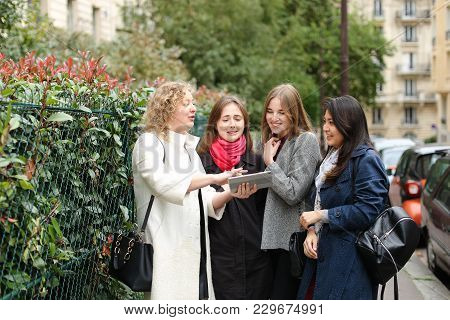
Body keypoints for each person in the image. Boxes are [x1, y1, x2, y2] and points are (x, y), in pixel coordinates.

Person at [132, 81, 256, 300]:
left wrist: (231, 192)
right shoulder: (148, 142)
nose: (193, 108)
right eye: (186, 103)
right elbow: (163, 184)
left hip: (196, 254)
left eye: (193, 103)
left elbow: (207, 200)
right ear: (168, 108)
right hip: (166, 251)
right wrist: (215, 177)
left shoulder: (189, 151)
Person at [297, 95, 389, 300]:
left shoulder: (366, 160)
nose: (326, 127)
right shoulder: (332, 158)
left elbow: (368, 211)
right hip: (321, 258)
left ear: (349, 124)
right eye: (325, 121)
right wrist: (311, 232)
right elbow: (316, 199)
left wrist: (321, 215)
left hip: (350, 264)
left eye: (332, 122)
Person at [197, 95, 272, 299]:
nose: (232, 124)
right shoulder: (201, 162)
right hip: (218, 259)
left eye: (237, 119)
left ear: (245, 124)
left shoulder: (256, 161)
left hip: (256, 259)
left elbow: (264, 209)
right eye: (226, 119)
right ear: (215, 124)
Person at [259, 84, 321, 299]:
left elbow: (294, 192)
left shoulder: (306, 140)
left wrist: (269, 163)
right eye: (270, 111)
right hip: (272, 241)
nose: (273, 118)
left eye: (281, 112)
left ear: (294, 113)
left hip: (292, 240)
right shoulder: (272, 142)